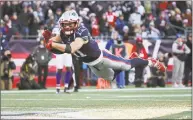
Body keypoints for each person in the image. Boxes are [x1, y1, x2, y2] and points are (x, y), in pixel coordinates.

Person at [42, 10, 166, 86]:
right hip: (91, 63)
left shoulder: (81, 32)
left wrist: (51, 43)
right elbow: (53, 45)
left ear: (77, 23)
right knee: (110, 77)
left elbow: (71, 49)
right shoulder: (62, 34)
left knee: (127, 65)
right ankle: (133, 59)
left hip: (102, 57)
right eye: (66, 24)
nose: (68, 27)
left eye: (70, 24)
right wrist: (48, 41)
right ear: (61, 25)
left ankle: (151, 62)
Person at [52, 27, 73, 94]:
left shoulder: (69, 28)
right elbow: (53, 37)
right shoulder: (56, 28)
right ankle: (58, 87)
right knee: (59, 69)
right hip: (60, 51)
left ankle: (66, 87)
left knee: (69, 68)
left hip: (67, 50)